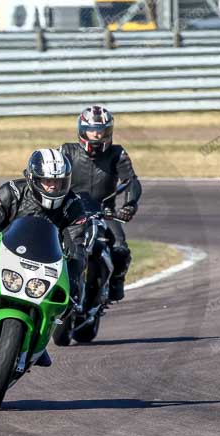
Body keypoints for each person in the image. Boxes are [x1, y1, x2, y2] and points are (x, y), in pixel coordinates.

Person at [0, 149, 88, 367]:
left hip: (44, 264)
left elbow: (77, 247)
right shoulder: (11, 192)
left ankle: (37, 341)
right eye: (47, 181)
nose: (53, 187)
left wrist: (74, 280)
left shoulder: (73, 205)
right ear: (33, 178)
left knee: (66, 300)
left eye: (58, 182)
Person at [60, 106, 142, 301]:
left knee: (120, 248)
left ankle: (116, 280)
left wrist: (129, 205)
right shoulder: (67, 151)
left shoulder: (117, 153)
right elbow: (51, 174)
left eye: (101, 131)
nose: (96, 135)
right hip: (69, 211)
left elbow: (131, 181)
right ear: (82, 131)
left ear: (109, 131)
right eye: (91, 130)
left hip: (105, 212)